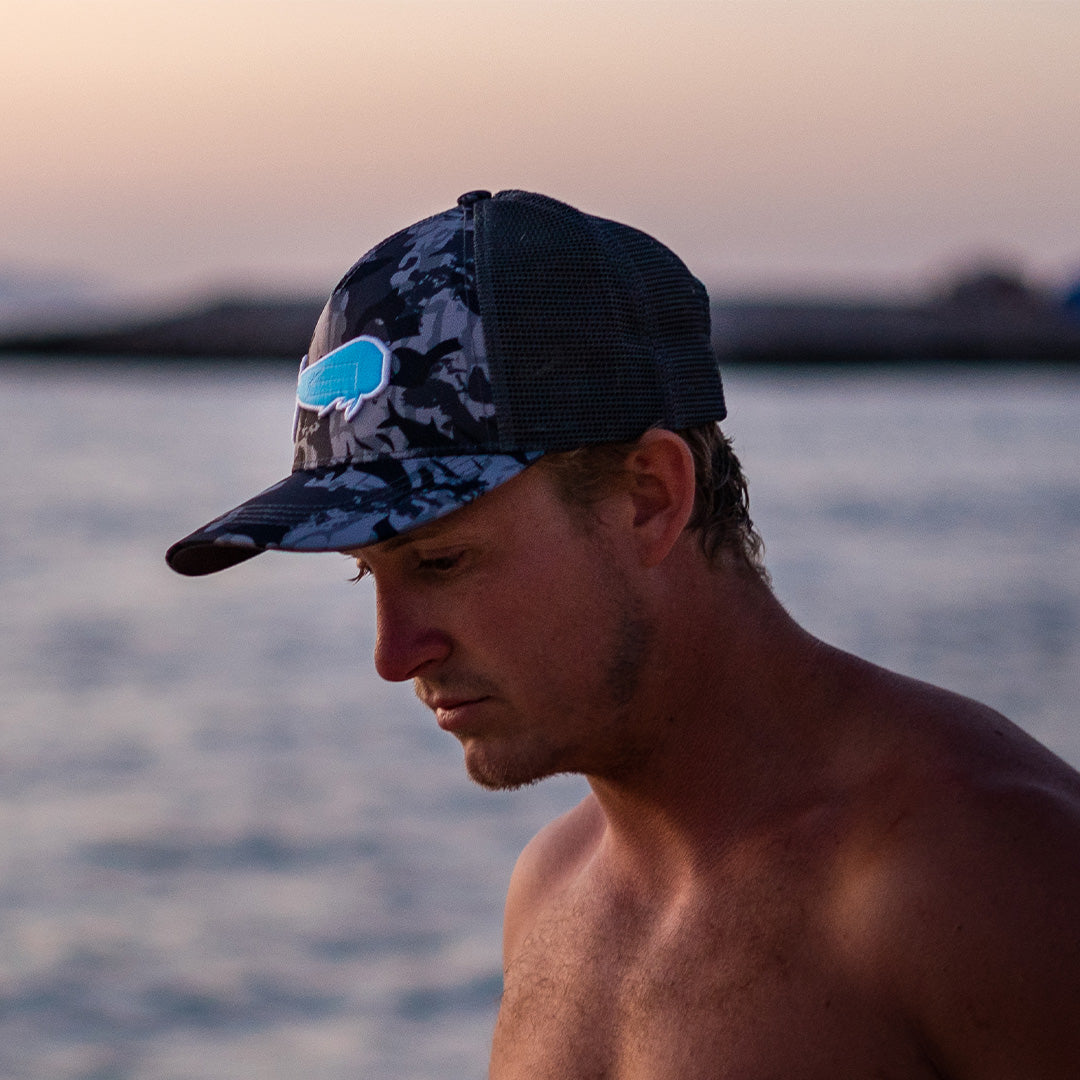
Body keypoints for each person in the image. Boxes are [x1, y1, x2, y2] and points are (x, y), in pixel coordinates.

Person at [167, 190, 1080, 1078]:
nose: (393, 655)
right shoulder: (553, 890)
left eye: (441, 562)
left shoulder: (983, 872)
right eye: (368, 573)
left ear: (649, 497)